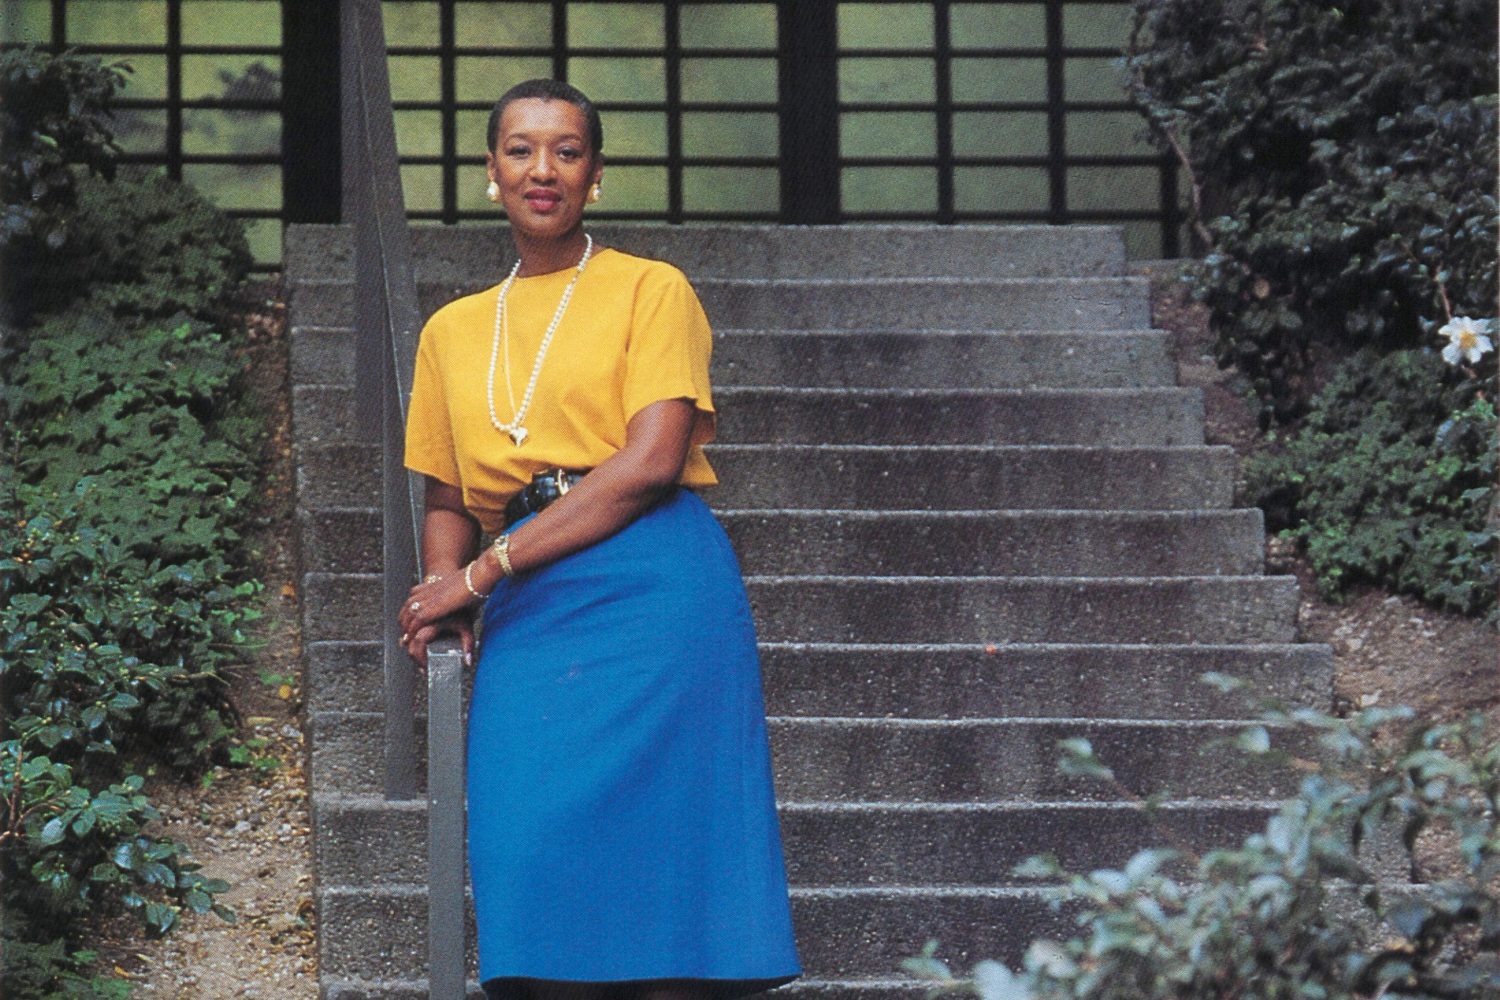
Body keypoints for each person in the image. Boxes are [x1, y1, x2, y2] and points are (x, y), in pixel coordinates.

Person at [394, 79, 802, 1000]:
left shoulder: (651, 290)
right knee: (526, 861)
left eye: (567, 150)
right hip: (535, 614)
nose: (544, 169)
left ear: (597, 175)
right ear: (490, 173)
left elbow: (653, 460)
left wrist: (482, 571)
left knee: (670, 910)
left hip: (657, 591)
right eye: (521, 150)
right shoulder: (450, 332)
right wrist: (440, 589)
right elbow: (448, 491)